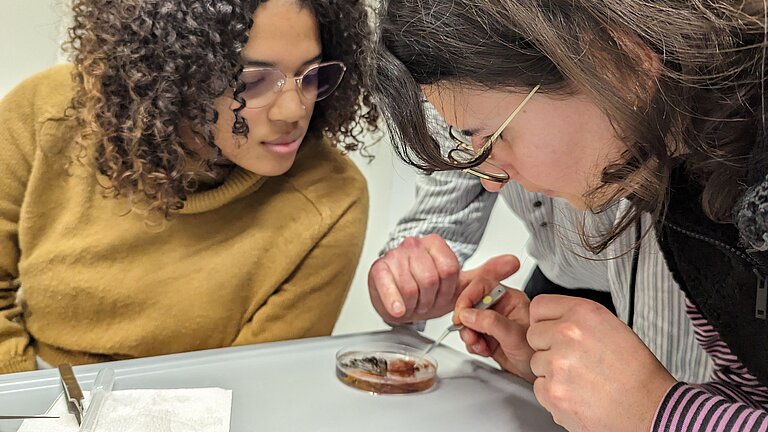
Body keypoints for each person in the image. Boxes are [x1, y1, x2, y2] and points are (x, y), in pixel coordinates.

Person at [373, 1, 768, 431]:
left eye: (493, 137)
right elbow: (751, 393)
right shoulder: (683, 183)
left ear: (619, 62)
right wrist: (580, 382)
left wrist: (655, 410)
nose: (491, 180)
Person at [0, 0, 378, 374]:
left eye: (311, 74)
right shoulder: (49, 113)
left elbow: (256, 381)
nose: (294, 111)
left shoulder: (330, 199)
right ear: (169, 73)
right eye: (252, 82)